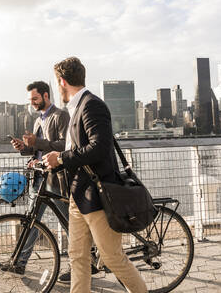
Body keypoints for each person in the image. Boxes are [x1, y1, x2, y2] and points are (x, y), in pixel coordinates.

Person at [43, 57, 147, 293]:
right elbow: (76, 151)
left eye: (57, 83)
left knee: (112, 257)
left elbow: (98, 148)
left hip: (98, 197)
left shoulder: (92, 105)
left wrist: (60, 159)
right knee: (78, 257)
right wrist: (51, 159)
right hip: (78, 195)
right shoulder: (78, 107)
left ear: (62, 81)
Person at [0, 80, 72, 283]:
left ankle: (83, 264)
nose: (32, 103)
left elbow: (65, 146)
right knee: (31, 222)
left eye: (35, 99)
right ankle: (19, 263)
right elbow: (38, 151)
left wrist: (36, 143)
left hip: (56, 181)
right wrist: (24, 148)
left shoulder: (60, 115)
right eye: (30, 100)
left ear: (46, 96)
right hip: (39, 180)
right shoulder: (39, 120)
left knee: (69, 225)